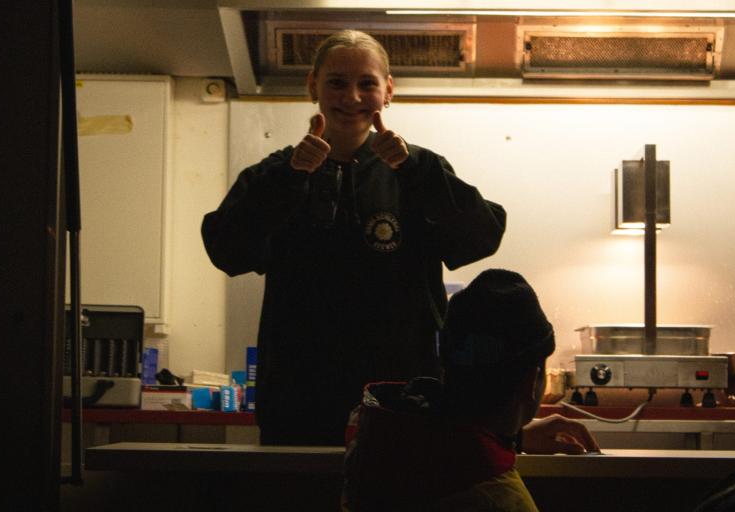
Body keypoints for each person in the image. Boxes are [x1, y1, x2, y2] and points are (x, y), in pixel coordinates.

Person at [202, 30, 508, 445]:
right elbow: (226, 251)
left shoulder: (419, 171)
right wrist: (290, 177)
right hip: (299, 403)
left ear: (388, 90)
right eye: (337, 82)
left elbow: (482, 237)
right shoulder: (276, 175)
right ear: (313, 85)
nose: (352, 97)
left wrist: (414, 169)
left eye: (367, 83)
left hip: (401, 404)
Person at [342, 269, 600, 512]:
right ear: (531, 381)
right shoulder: (497, 499)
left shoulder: (378, 437)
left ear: (448, 369)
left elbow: (448, 439)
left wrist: (512, 438)